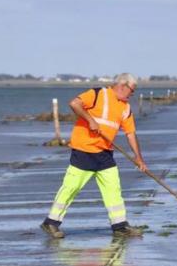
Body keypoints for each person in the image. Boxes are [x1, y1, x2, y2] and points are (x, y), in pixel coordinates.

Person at [41, 73, 147, 239]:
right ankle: (51, 222)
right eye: (131, 90)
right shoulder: (98, 94)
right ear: (122, 85)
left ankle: (120, 226)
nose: (131, 94)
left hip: (105, 153)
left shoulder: (125, 108)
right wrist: (90, 120)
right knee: (71, 187)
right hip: (84, 150)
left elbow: (131, 133)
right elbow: (74, 104)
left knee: (113, 189)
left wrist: (138, 158)